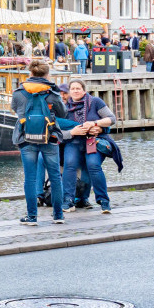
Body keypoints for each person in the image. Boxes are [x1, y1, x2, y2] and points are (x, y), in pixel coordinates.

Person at [11, 58, 76, 226]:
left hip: (26, 138)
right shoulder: (52, 93)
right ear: (47, 74)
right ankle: (58, 215)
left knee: (30, 179)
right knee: (55, 176)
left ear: (30, 73)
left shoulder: (19, 92)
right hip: (49, 137)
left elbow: (16, 109)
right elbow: (63, 113)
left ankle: (32, 216)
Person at [63, 80, 114, 213]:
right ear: (69, 91)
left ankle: (103, 201)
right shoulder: (64, 107)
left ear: (84, 90)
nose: (75, 91)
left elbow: (111, 119)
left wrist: (95, 124)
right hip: (73, 142)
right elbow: (57, 128)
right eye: (73, 88)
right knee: (70, 164)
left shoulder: (95, 102)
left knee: (93, 165)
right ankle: (68, 200)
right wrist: (72, 132)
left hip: (92, 141)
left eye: (78, 88)